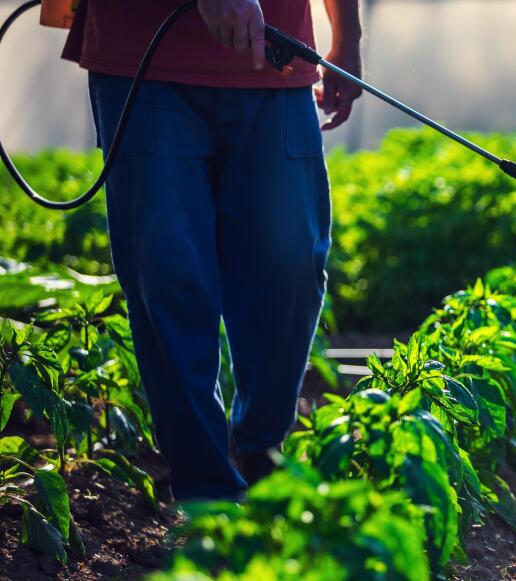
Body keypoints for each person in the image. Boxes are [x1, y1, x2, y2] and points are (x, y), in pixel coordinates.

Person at [60, 0, 363, 501]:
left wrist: (346, 39)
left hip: (275, 53)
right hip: (142, 55)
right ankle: (206, 493)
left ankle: (262, 446)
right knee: (168, 275)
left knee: (289, 262)